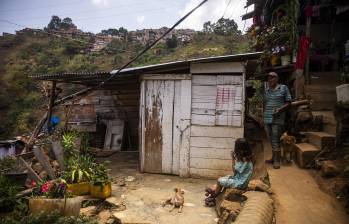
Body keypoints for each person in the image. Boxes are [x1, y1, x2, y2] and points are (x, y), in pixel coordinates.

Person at [204, 138, 253, 206]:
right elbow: (236, 173)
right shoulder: (246, 159)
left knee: (219, 180)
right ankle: (213, 192)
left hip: (239, 183)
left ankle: (214, 196)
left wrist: (233, 159)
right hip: (239, 180)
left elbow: (234, 171)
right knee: (225, 178)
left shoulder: (245, 161)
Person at [263, 72, 292, 169]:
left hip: (278, 119)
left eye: (272, 78)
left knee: (275, 139)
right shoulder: (267, 90)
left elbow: (289, 103)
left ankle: (277, 160)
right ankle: (273, 157)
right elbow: (265, 104)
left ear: (277, 78)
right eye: (269, 78)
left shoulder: (283, 88)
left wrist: (279, 110)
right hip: (267, 118)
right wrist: (262, 117)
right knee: (270, 139)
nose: (270, 80)